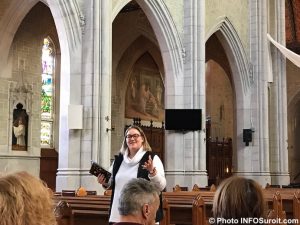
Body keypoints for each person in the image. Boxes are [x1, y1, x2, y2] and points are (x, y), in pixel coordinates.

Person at [98, 125, 166, 224]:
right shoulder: (119, 160)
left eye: (135, 135)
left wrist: (152, 172)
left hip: (143, 214)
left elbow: (161, 186)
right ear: (125, 140)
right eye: (128, 136)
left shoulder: (151, 158)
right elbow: (112, 183)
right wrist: (105, 182)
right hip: (118, 213)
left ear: (142, 138)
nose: (132, 138)